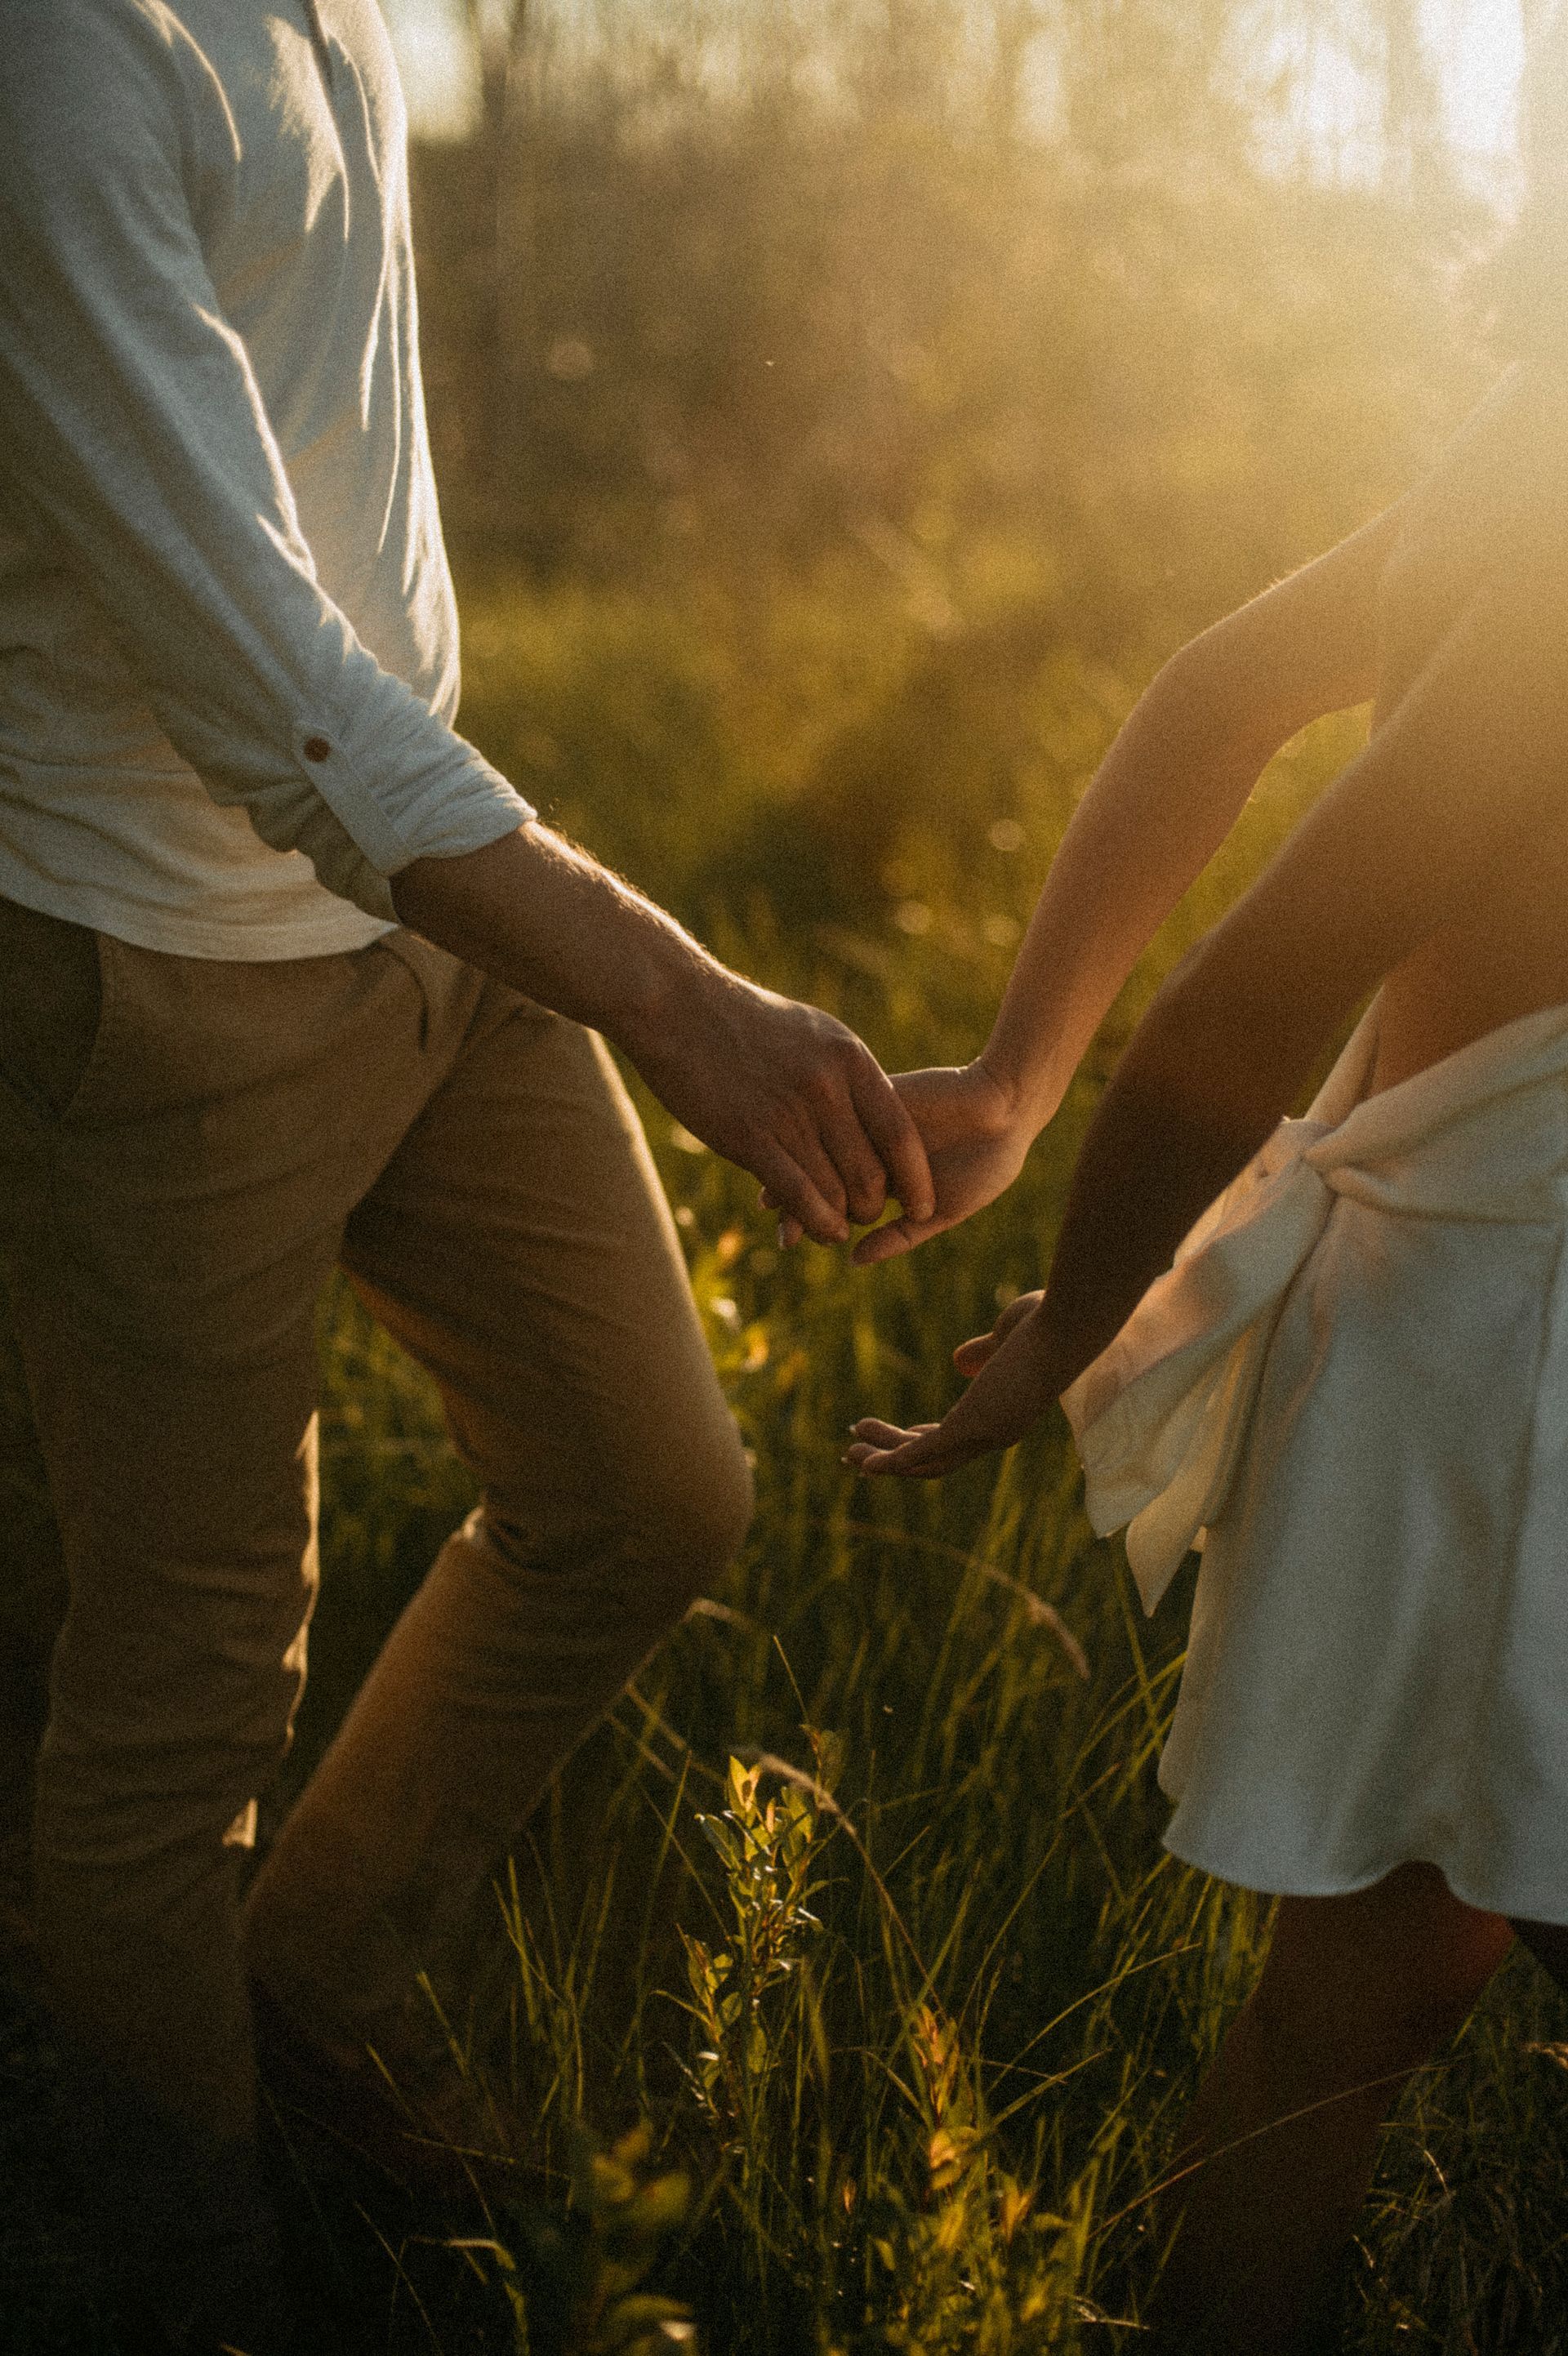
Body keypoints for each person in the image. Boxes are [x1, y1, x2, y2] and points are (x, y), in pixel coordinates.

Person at [0, 2, 933, 2347]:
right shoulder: (57, 67)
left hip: (443, 905)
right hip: (166, 964)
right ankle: (183, 2268)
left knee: (651, 1482)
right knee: (181, 1701)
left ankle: (307, 1996)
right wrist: (687, 996)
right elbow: (263, 687)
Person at [843, 343, 1568, 2350]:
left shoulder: (1531, 429)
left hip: (1490, 1330)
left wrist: (1008, 1075)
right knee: (1368, 1983)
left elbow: (1218, 691)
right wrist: (1081, 1327)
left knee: (1375, 1978)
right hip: (1521, 1348)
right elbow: (1245, 1011)